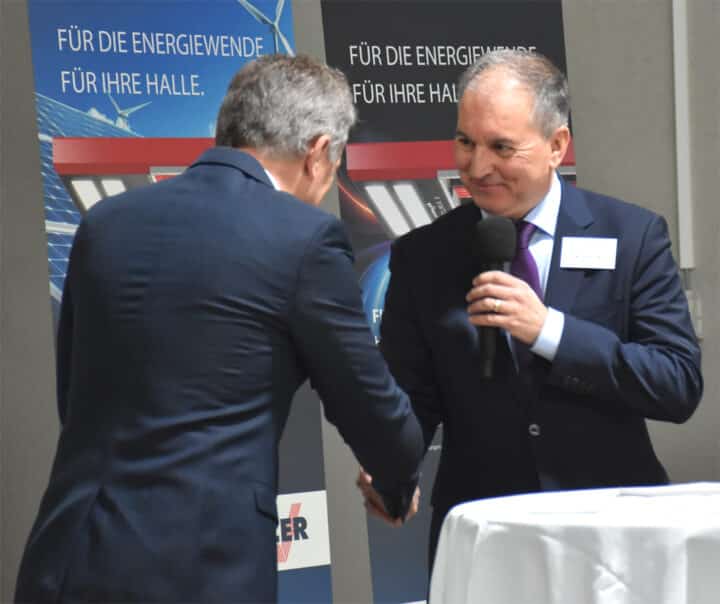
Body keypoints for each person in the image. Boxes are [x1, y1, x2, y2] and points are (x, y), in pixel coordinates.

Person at [15, 54, 424, 604]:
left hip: (68, 557)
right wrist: (396, 483)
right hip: (200, 571)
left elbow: (76, 395)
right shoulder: (305, 240)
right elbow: (370, 405)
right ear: (319, 153)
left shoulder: (106, 224)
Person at [357, 49, 703, 570]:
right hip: (486, 538)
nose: (477, 167)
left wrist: (551, 332)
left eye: (501, 147)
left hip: (612, 538)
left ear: (557, 146)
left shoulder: (631, 236)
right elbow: (412, 398)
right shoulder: (423, 255)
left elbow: (676, 385)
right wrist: (392, 463)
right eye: (465, 142)